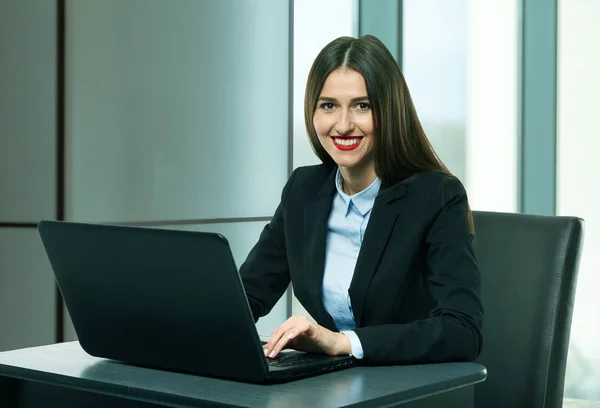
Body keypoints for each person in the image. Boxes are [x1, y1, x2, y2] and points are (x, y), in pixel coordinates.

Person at [239, 35, 483, 365]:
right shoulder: (303, 190)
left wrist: (343, 343)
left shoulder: (438, 197)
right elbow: (247, 296)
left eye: (362, 106)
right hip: (333, 387)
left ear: (390, 111)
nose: (343, 125)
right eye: (328, 106)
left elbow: (462, 331)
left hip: (411, 389)